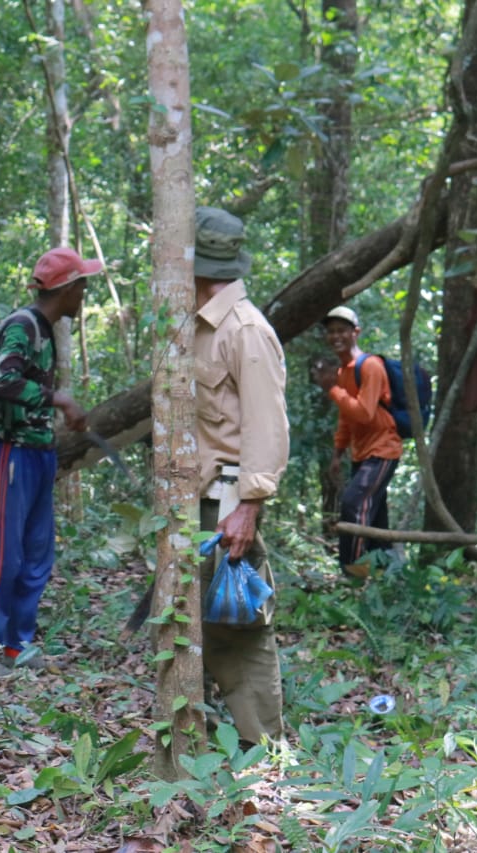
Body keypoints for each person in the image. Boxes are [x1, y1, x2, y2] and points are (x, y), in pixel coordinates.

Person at [0, 247, 95, 679]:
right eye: (82, 285)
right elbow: (3, 379)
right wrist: (59, 399)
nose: (85, 294)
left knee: (36, 555)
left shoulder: (45, 329)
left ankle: (16, 646)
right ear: (67, 289)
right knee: (2, 556)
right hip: (10, 454)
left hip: (39, 454)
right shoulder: (23, 325)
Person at [191, 206, 289, 746]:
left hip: (227, 504)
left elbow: (267, 428)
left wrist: (248, 508)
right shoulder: (199, 324)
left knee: (239, 628)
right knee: (195, 624)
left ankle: (263, 751)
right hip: (195, 500)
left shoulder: (246, 330)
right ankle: (199, 741)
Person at [310, 305, 402, 580]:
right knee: (376, 518)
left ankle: (352, 574)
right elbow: (346, 418)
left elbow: (364, 413)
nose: (336, 336)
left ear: (355, 333)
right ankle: (387, 576)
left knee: (353, 504)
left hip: (383, 449)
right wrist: (338, 454)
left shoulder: (370, 366)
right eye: (331, 331)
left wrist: (333, 390)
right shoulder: (343, 372)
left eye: (342, 330)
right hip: (361, 454)